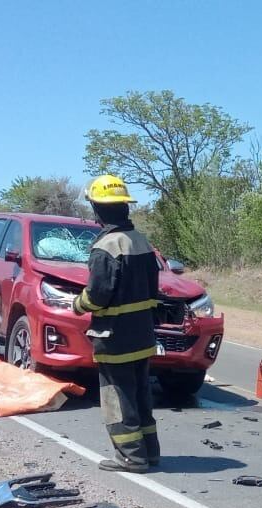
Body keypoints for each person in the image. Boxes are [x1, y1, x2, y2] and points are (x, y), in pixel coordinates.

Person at [72, 174, 160, 472]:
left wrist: (77, 304)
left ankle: (130, 457)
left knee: (117, 397)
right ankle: (149, 452)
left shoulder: (105, 248)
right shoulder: (141, 242)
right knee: (139, 394)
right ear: (124, 207)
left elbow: (97, 295)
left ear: (98, 209)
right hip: (142, 335)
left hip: (115, 337)